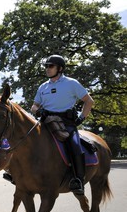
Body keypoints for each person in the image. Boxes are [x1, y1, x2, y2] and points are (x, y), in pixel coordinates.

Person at [30, 54, 94, 195]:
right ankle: (19, 175)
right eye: (46, 66)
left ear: (60, 68)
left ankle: (78, 180)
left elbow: (89, 101)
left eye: (50, 66)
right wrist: (39, 111)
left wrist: (81, 118)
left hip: (67, 124)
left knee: (75, 146)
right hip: (46, 123)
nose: (47, 69)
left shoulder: (72, 83)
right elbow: (33, 106)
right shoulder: (43, 86)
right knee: (27, 141)